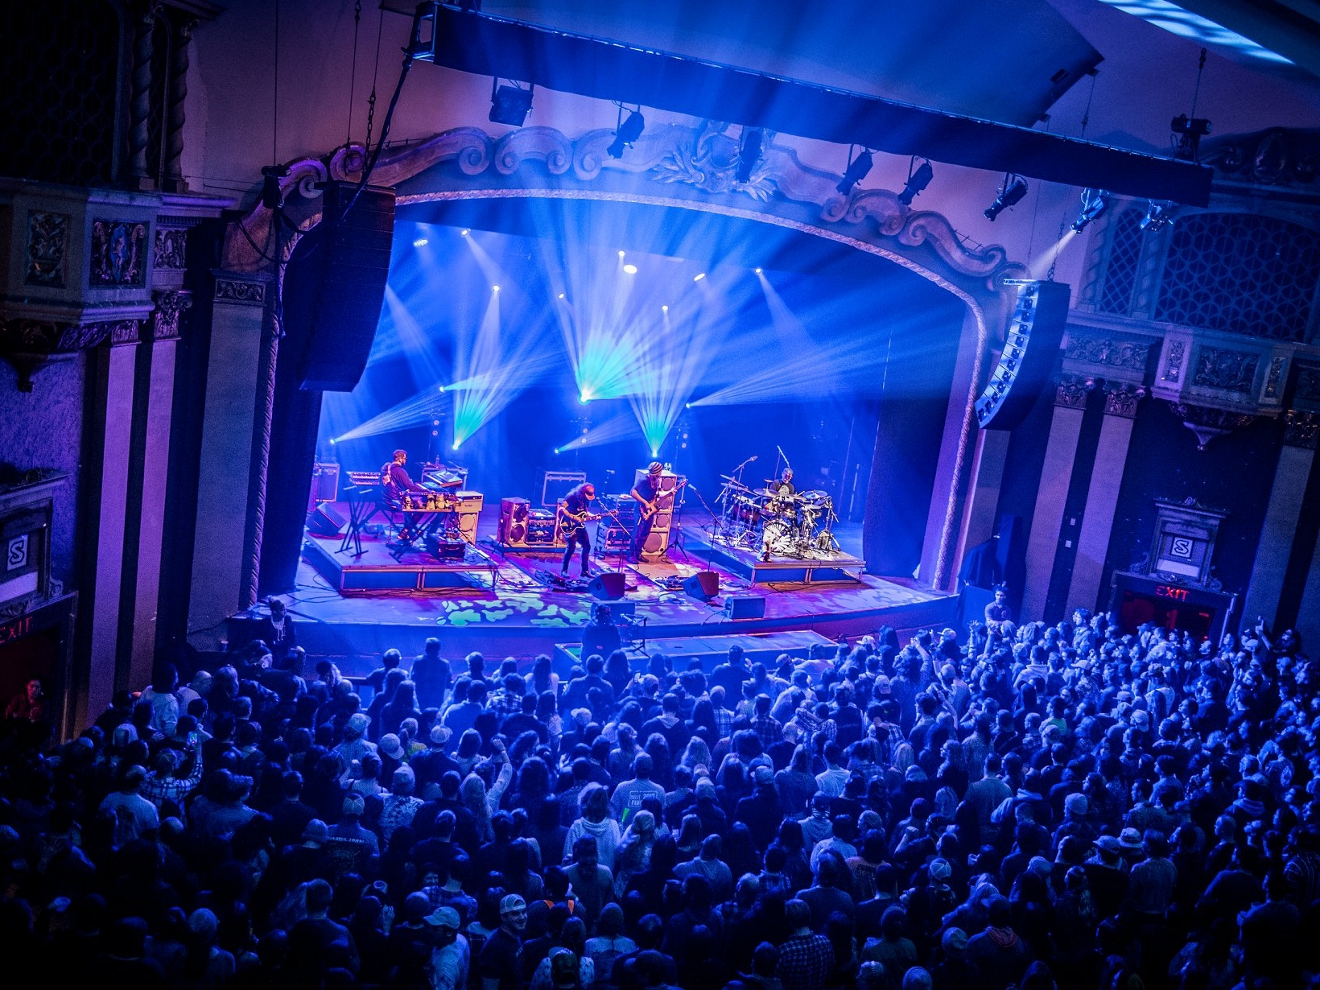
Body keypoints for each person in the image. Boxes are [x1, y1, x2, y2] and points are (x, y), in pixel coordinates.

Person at [479, 893, 527, 990]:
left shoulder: (516, 933)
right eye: (515, 913)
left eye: (523, 912)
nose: (522, 917)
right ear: (503, 917)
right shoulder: (495, 948)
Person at [629, 461, 672, 563]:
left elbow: (653, 496)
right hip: (640, 508)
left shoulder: (656, 481)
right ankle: (630, 555)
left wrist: (653, 503)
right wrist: (645, 503)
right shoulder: (643, 480)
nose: (661, 473)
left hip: (649, 510)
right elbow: (633, 492)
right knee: (637, 532)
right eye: (660, 471)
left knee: (645, 532)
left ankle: (638, 553)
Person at [559, 481, 599, 579]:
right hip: (569, 524)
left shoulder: (586, 499)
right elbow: (561, 509)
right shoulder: (571, 496)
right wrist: (573, 517)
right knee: (571, 547)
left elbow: (584, 512)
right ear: (582, 492)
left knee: (587, 546)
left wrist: (593, 516)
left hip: (580, 525)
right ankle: (564, 570)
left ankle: (585, 571)